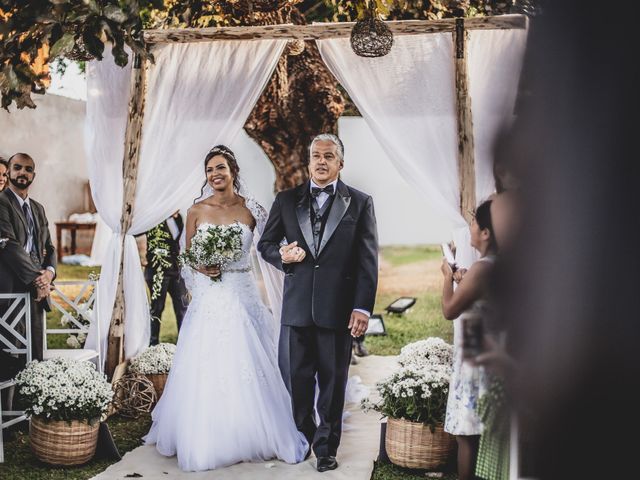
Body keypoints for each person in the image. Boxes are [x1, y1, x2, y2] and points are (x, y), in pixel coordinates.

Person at [144, 145, 307, 472]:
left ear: (233, 170)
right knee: (208, 360)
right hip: (209, 297)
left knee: (249, 355)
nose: (215, 175)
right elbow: (186, 257)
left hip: (242, 290)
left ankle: (255, 430)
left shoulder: (252, 210)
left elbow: (267, 246)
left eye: (220, 168)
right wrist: (201, 268)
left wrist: (289, 256)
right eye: (209, 170)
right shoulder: (195, 211)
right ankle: (210, 435)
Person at [258, 133, 379, 472]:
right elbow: (265, 245)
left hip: (338, 309)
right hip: (296, 308)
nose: (321, 161)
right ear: (308, 161)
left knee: (332, 381)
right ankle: (306, 433)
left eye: (329, 156)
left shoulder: (359, 202)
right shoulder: (286, 200)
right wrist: (282, 255)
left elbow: (367, 261)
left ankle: (326, 447)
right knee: (295, 379)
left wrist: (362, 307)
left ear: (341, 163)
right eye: (315, 156)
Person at [441, 199, 497, 480]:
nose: (470, 227)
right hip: (492, 355)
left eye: (474, 222)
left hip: (476, 361)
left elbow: (450, 310)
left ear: (486, 232)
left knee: (467, 434)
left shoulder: (482, 269)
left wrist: (446, 277)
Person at [0, 153, 56, 361]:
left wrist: (48, 274)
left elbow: (49, 247)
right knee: (11, 351)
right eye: (17, 167)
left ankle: (33, 392)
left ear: (34, 175)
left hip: (38, 287)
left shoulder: (38, 208)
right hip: (12, 286)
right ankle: (10, 394)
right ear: (9, 172)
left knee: (35, 350)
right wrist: (37, 278)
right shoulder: (1, 202)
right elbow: (8, 244)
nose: (23, 172)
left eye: (28, 169)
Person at [143, 212, 188, 345]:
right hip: (158, 270)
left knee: (183, 306)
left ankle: (184, 343)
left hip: (176, 270)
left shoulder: (179, 218)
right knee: (157, 308)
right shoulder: (153, 218)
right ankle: (153, 343)